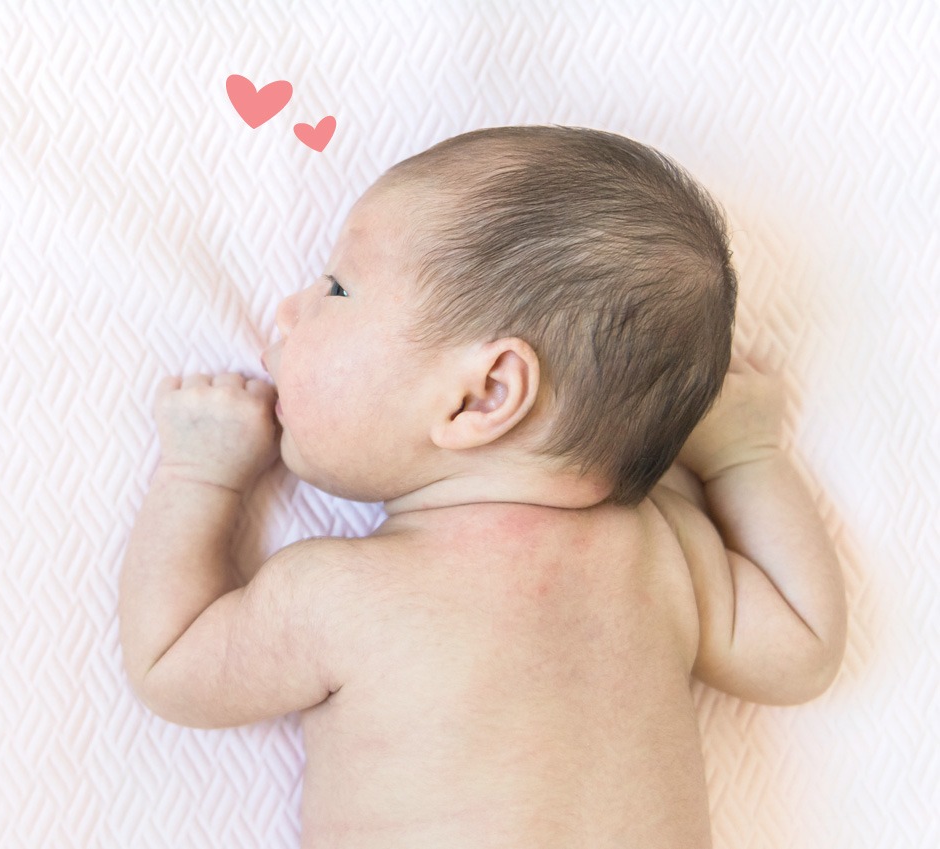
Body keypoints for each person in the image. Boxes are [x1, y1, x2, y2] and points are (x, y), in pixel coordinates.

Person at [118, 125, 847, 848]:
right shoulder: (662, 554)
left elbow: (172, 662)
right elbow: (803, 644)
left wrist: (198, 474)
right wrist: (745, 457)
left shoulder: (339, 592)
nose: (287, 309)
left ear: (484, 393)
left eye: (338, 286)